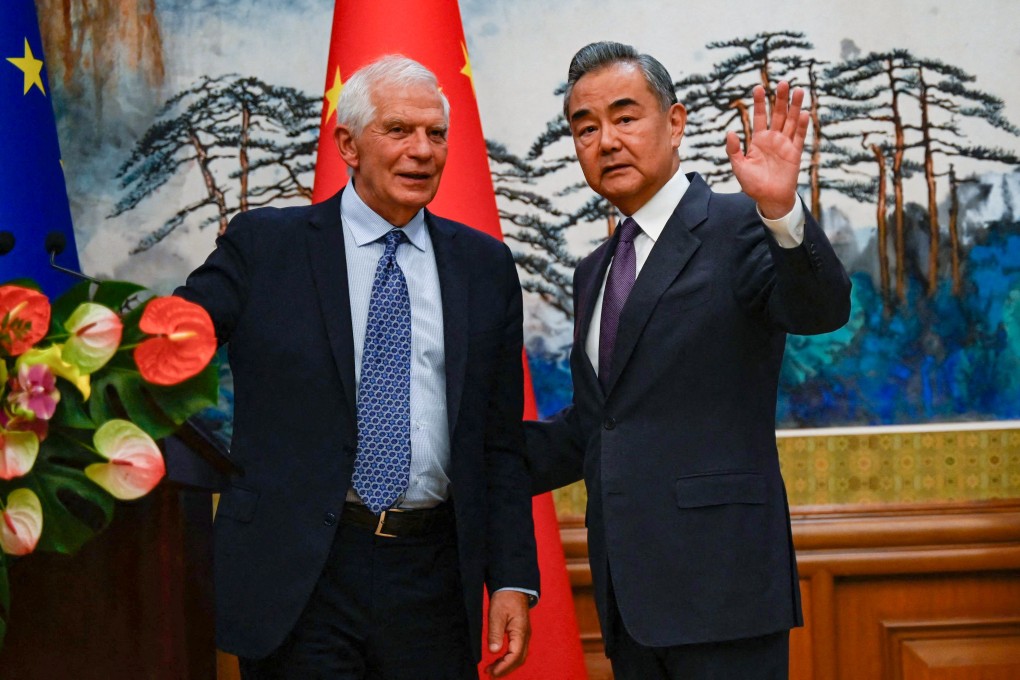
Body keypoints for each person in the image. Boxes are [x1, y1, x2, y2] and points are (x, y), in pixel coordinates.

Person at [176, 55, 539, 679]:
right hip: (301, 575)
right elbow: (170, 345)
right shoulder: (266, 247)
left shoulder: (485, 266)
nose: (422, 150)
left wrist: (511, 579)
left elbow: (499, 443)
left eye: (435, 133)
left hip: (432, 577)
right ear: (347, 143)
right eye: (399, 130)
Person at [524, 41, 852, 679]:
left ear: (675, 123)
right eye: (585, 127)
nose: (606, 140)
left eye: (625, 117)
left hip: (725, 596)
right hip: (629, 599)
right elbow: (598, 427)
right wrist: (452, 459)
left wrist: (783, 213)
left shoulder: (742, 225)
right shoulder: (593, 271)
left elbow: (821, 310)